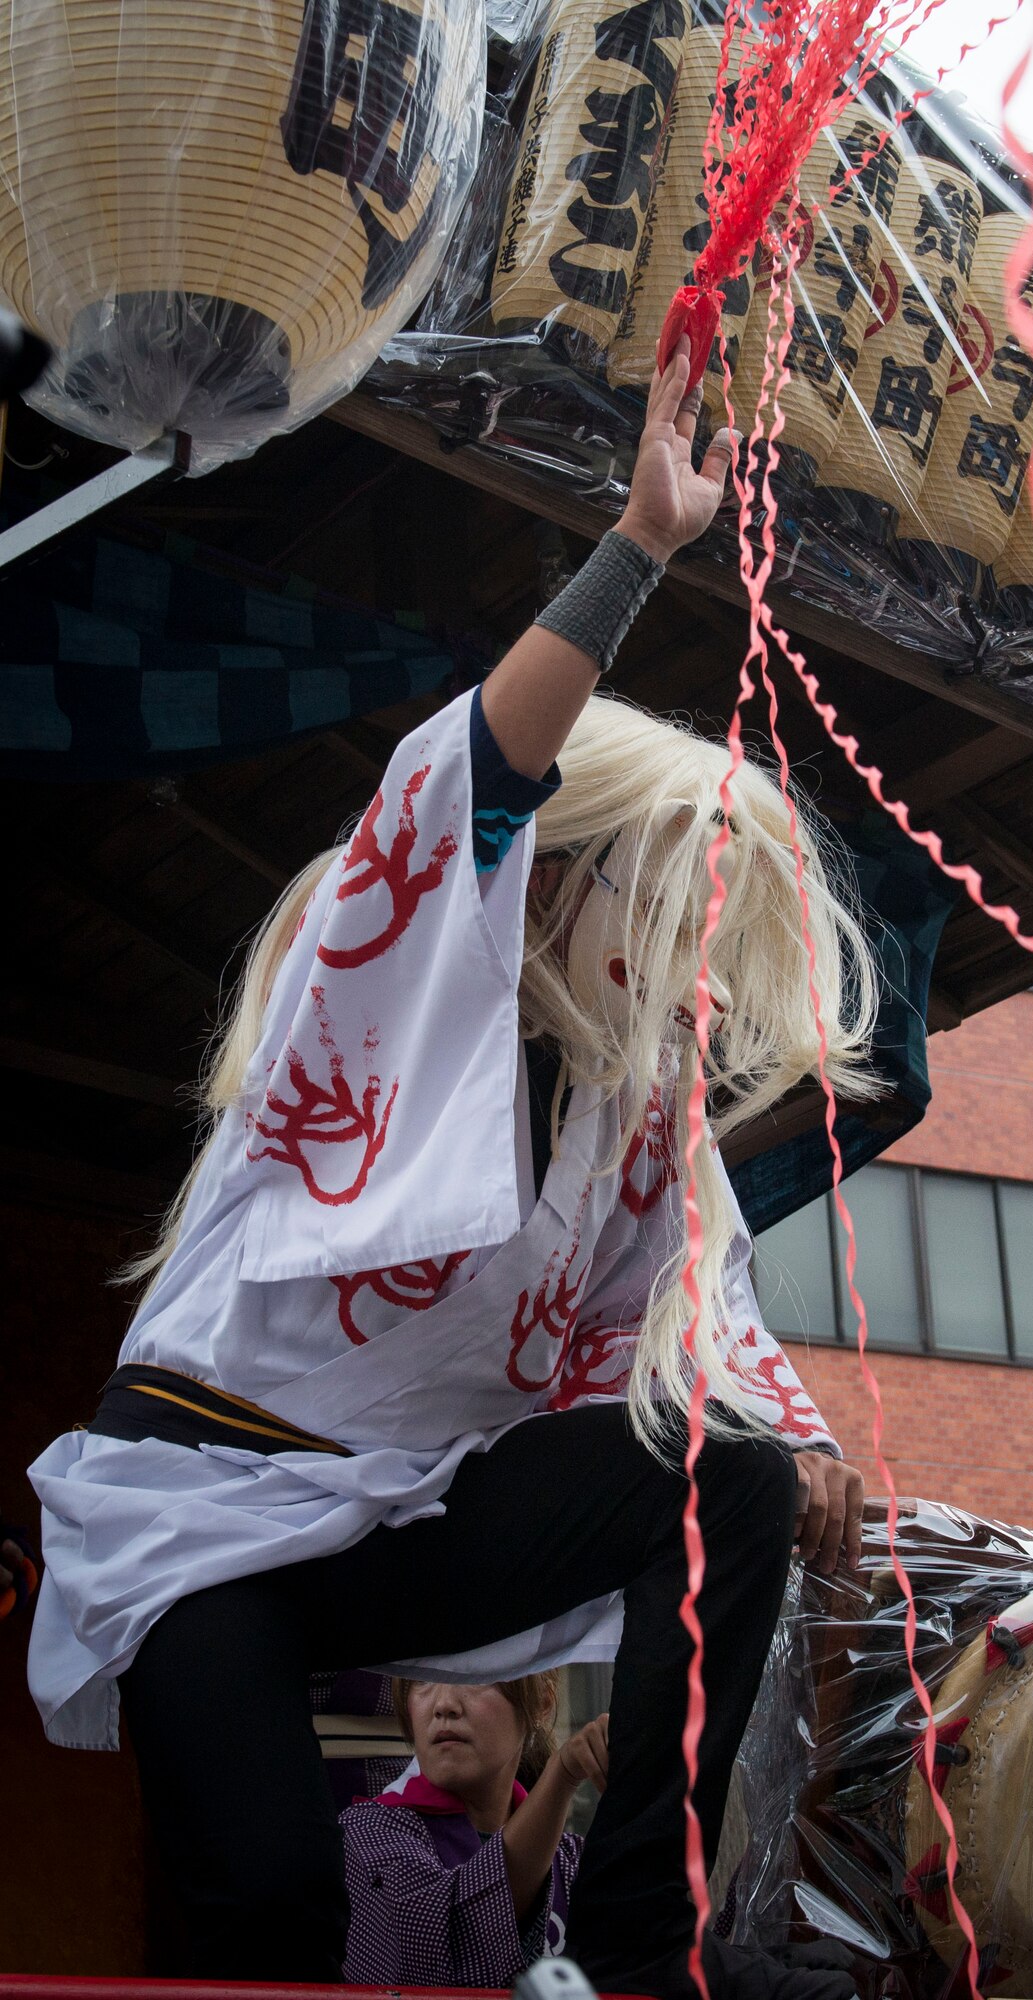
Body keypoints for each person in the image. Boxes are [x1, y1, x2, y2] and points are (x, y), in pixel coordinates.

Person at [26, 348, 871, 2000]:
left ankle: (640, 1947)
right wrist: (637, 548)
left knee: (734, 1471)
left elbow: (704, 1317)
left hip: (399, 1516)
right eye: (672, 907)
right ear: (564, 880)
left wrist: (814, 1441)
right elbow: (471, 785)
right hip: (205, 1515)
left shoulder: (641, 1122)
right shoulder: (395, 977)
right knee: (276, 1911)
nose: (695, 965)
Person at [341, 1673, 606, 1987]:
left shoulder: (571, 1858)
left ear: (542, 1703)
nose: (444, 1705)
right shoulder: (365, 1835)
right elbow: (446, 1944)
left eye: (475, 1677)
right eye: (421, 1679)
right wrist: (561, 1775)